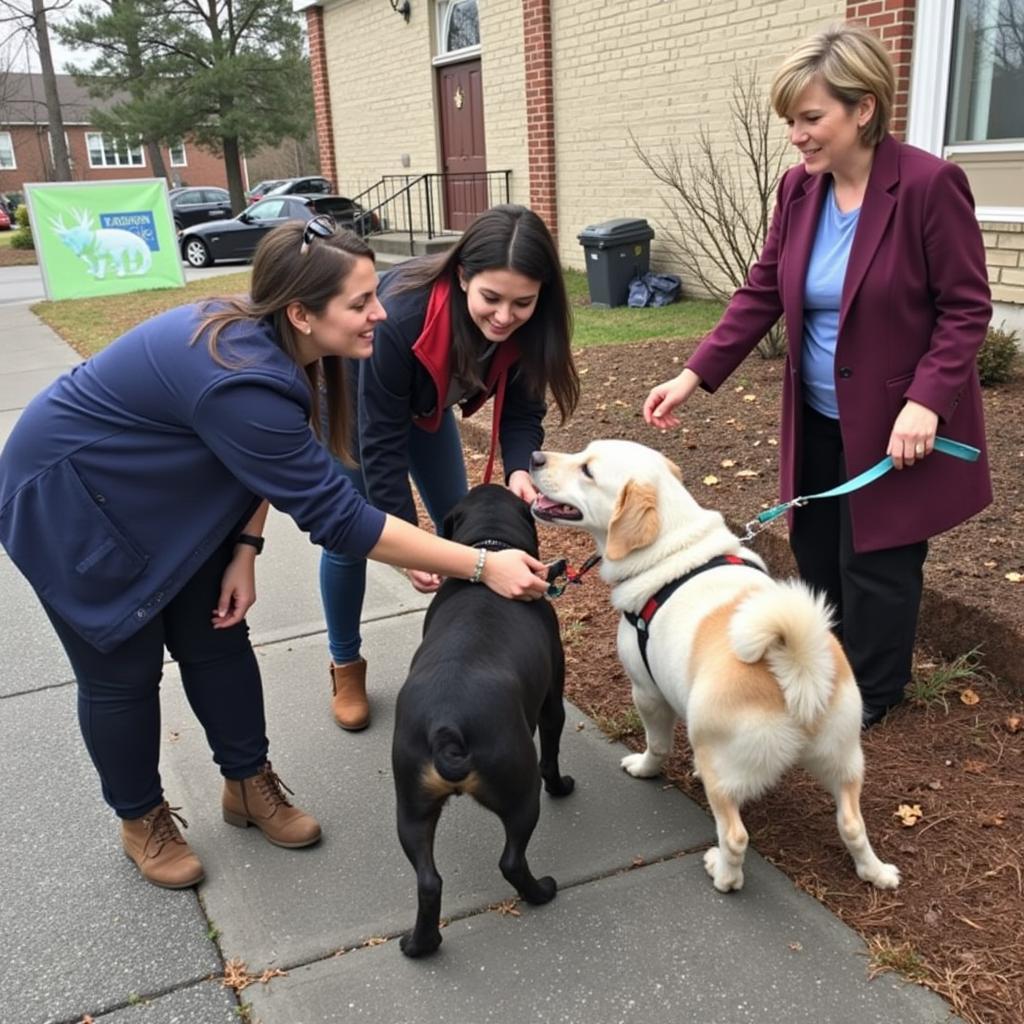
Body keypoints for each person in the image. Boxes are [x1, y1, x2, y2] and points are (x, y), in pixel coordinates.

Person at [0, 219, 551, 890]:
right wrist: (479, 563)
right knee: (123, 673)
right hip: (73, 504)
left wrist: (246, 545)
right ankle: (140, 817)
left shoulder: (293, 352)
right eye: (360, 302)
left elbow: (268, 458)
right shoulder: (239, 375)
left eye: (376, 292)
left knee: (219, 640)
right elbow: (337, 515)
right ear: (301, 311)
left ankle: (247, 783)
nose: (381, 311)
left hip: (172, 499)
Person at [643, 23, 991, 728]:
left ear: (863, 108)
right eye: (790, 122)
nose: (797, 137)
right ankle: (827, 670)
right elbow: (763, 289)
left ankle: (874, 695)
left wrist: (928, 401)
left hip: (898, 422)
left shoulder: (928, 185)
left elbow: (966, 308)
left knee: (879, 562)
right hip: (818, 412)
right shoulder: (799, 192)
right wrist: (694, 374)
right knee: (816, 548)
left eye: (810, 118)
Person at [319, 204, 579, 730]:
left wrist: (519, 470)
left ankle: (471, 654)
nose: (505, 316)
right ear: (462, 276)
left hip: (427, 408)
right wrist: (401, 539)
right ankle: (346, 663)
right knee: (352, 540)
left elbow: (525, 408)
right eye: (491, 298)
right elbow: (380, 445)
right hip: (353, 411)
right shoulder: (403, 315)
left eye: (522, 303)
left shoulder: (534, 324)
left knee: (460, 526)